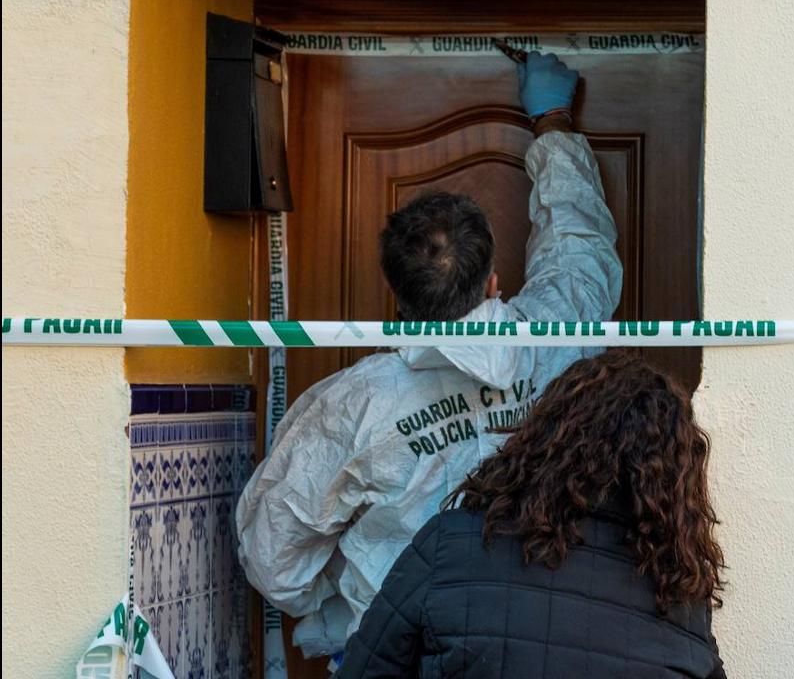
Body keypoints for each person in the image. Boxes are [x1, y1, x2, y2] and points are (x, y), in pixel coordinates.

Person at [236, 52, 623, 661]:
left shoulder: (357, 404)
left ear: (396, 297)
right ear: (494, 281)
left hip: (395, 653)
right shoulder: (559, 333)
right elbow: (579, 246)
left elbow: (274, 556)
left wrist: (351, 605)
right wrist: (550, 118)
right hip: (538, 650)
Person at [335, 350, 727, 679]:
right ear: (674, 480)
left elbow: (364, 668)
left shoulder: (451, 547)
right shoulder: (679, 596)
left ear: (547, 437)